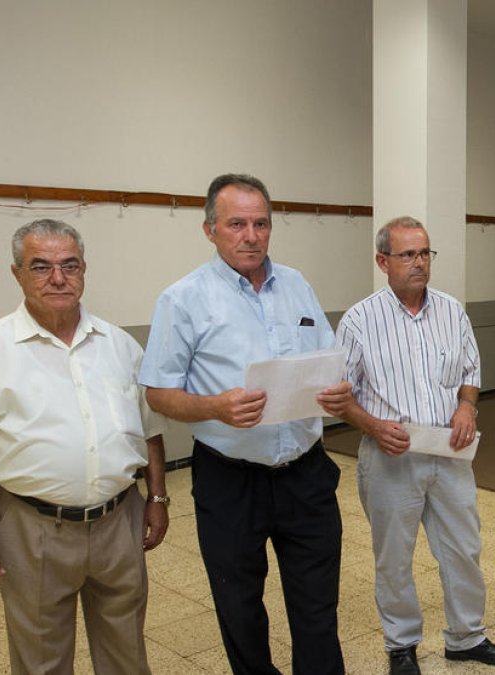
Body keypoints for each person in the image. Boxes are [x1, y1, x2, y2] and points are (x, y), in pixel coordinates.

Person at [0, 219, 169, 674]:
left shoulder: (119, 346)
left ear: (84, 270)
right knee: (41, 660)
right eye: (40, 266)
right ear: (16, 273)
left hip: (119, 521)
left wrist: (157, 499)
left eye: (70, 265)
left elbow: (150, 431)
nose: (58, 278)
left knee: (127, 655)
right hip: (33, 529)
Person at [139, 174, 346, 674]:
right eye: (237, 224)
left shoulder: (296, 285)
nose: (251, 235)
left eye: (260, 224)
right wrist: (214, 407)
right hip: (230, 479)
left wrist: (338, 390)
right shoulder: (182, 299)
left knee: (317, 606)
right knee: (241, 609)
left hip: (305, 475)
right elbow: (158, 393)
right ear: (210, 230)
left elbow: (328, 356)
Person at [329, 216, 495, 675]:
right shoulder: (360, 320)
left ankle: (466, 637)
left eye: (425, 253)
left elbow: (470, 373)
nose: (419, 263)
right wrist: (373, 427)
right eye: (407, 254)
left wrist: (468, 408)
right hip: (391, 455)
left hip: (450, 451)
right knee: (394, 558)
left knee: (463, 548)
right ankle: (401, 644)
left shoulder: (452, 311)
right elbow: (339, 394)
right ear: (382, 261)